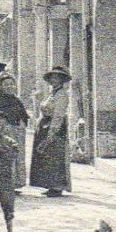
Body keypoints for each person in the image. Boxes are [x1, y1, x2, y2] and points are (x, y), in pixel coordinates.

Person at [30, 66, 74, 196]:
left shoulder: (61, 95)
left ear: (62, 80)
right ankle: (50, 184)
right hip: (45, 125)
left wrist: (52, 132)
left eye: (58, 77)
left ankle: (57, 186)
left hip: (56, 127)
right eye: (53, 77)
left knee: (55, 155)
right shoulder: (52, 93)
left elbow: (58, 115)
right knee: (47, 156)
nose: (54, 79)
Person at [0, 72, 31, 192]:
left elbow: (23, 116)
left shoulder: (17, 100)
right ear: (0, 87)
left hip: (17, 133)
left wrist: (21, 125)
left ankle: (15, 183)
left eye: (11, 84)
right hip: (4, 133)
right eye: (6, 85)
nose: (9, 87)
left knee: (17, 157)